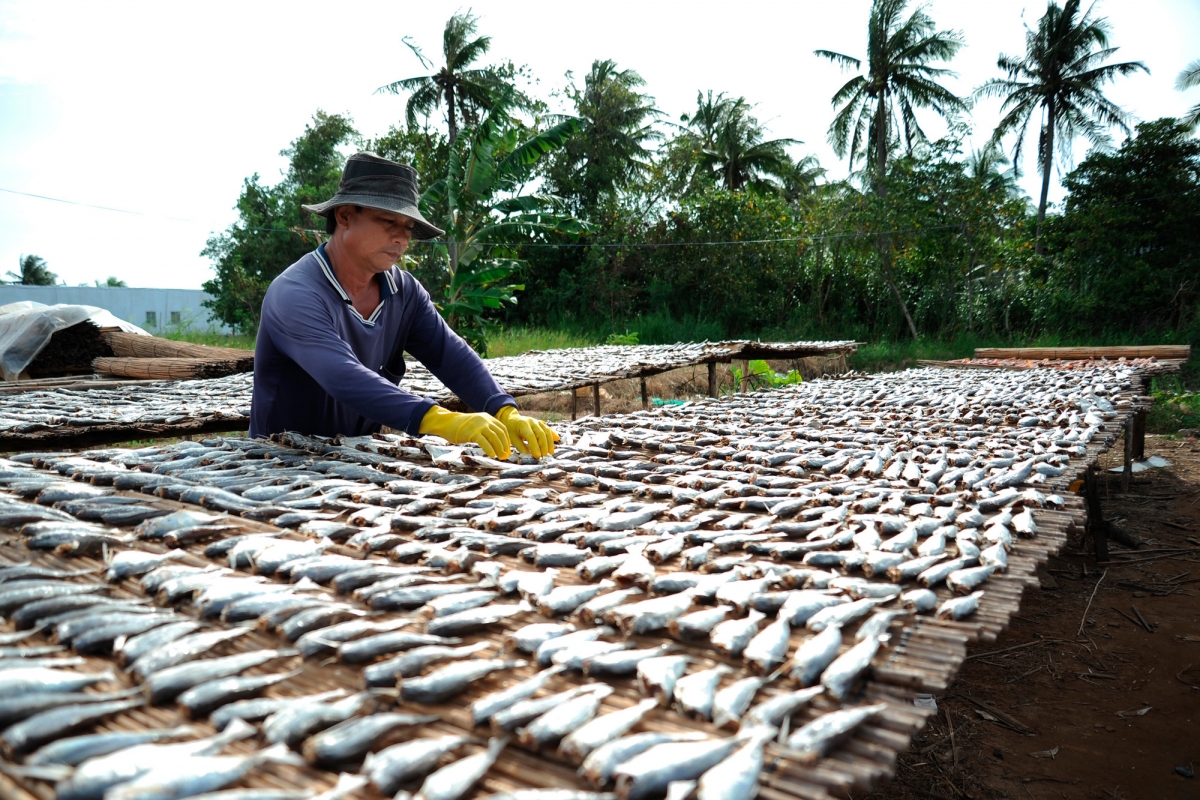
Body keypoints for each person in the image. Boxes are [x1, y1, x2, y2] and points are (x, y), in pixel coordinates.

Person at [249, 152, 557, 459]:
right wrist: (441, 420)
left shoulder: (404, 292)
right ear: (344, 216)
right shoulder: (295, 294)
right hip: (282, 463)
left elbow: (450, 354)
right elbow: (343, 376)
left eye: (408, 227)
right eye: (387, 221)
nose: (401, 238)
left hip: (356, 462)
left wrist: (504, 410)